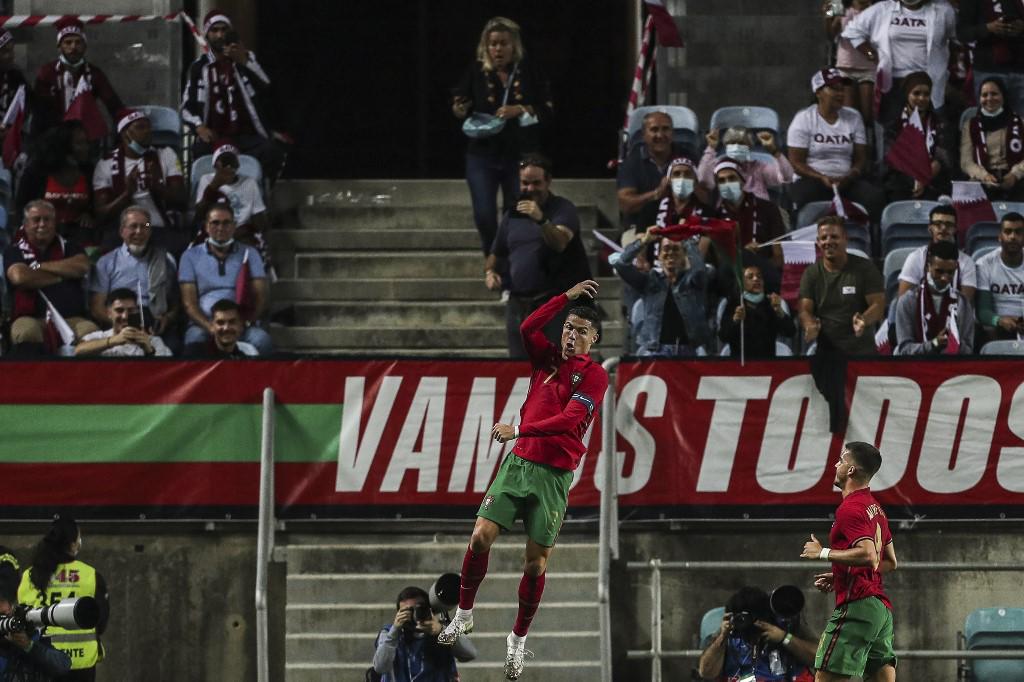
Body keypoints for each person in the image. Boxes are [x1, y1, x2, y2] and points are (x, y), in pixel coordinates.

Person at [437, 281, 608, 681]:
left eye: (581, 330)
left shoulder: (595, 375)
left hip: (553, 476)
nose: (571, 335)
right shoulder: (545, 359)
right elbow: (528, 326)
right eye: (568, 327)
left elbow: (569, 421)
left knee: (535, 564)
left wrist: (520, 430)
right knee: (480, 536)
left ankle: (516, 640)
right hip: (518, 466)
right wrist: (565, 297)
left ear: (594, 339)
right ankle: (463, 615)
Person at [452, 16, 552, 256]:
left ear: (513, 45)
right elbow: (459, 106)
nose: (497, 49)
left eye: (503, 43)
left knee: (515, 213)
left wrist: (520, 109)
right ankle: (493, 261)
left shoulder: (529, 70)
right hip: (482, 154)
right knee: (485, 214)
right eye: (493, 44)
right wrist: (460, 108)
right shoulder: (476, 70)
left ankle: (512, 272)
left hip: (519, 155)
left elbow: (547, 109)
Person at [800, 442, 898, 682]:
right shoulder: (875, 508)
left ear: (851, 470)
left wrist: (822, 552)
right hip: (879, 610)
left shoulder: (850, 508)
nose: (836, 464)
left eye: (841, 460)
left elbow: (867, 555)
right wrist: (842, 573)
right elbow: (890, 562)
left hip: (858, 606)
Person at [484, 155, 592, 359]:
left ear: (548, 181)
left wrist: (541, 219)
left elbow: (559, 243)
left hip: (553, 304)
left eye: (536, 183)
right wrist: (490, 271)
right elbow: (495, 254)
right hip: (518, 305)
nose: (530, 188)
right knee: (517, 368)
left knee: (554, 366)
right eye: (525, 183)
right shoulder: (512, 215)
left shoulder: (562, 208)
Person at [181, 10, 290, 183]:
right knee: (199, 151)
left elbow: (268, 89)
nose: (220, 34)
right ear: (207, 35)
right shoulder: (199, 67)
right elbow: (186, 107)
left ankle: (260, 194)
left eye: (224, 30)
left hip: (246, 136)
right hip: (215, 136)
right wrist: (199, 127)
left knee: (272, 151)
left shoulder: (245, 59)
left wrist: (245, 62)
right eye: (215, 30)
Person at [17, 516, 109, 682]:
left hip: (45, 660)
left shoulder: (31, 575)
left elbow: (24, 618)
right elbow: (100, 622)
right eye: (79, 537)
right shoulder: (91, 575)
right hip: (83, 664)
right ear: (73, 544)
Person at [787, 68, 885, 221]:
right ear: (818, 92)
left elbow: (861, 158)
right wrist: (821, 177)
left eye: (842, 90)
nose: (840, 94)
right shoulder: (803, 119)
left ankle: (870, 241)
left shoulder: (854, 117)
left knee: (874, 197)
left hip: (846, 181)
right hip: (813, 180)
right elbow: (796, 162)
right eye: (834, 89)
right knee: (800, 197)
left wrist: (851, 174)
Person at [841, 0, 956, 127]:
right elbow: (852, 31)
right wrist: (873, 55)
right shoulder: (882, 9)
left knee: (931, 129)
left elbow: (955, 38)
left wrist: (948, 72)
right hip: (894, 81)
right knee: (892, 130)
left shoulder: (943, 10)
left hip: (929, 81)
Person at [3, 200, 97, 355]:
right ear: (26, 225)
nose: (42, 224)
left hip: (72, 318)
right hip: (30, 317)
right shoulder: (14, 251)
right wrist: (62, 275)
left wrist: (38, 267)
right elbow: (20, 277)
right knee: (26, 332)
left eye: (47, 219)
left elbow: (82, 267)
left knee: (91, 332)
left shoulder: (70, 246)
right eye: (36, 220)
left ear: (55, 223)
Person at [178, 204, 271, 355]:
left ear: (234, 226)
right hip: (204, 323)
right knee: (194, 339)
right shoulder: (190, 256)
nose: (221, 228)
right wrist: (210, 326)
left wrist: (245, 323)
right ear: (206, 226)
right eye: (215, 223)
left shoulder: (250, 253)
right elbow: (189, 304)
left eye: (226, 223)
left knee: (262, 340)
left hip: (241, 323)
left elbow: (261, 296)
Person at [612, 227, 711, 357]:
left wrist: (688, 242)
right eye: (666, 249)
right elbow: (621, 265)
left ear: (684, 256)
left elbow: (699, 270)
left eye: (675, 249)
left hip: (688, 351)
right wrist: (644, 241)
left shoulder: (692, 282)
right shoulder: (649, 282)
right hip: (655, 351)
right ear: (659, 256)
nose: (670, 253)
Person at [92, 108, 186, 246]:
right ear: (125, 133)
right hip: (123, 231)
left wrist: (157, 186)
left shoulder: (166, 155)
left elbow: (182, 201)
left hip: (157, 228)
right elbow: (101, 215)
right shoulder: (106, 164)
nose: (148, 131)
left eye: (149, 127)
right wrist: (126, 194)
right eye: (140, 127)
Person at [89, 206, 180, 346]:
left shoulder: (166, 260)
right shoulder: (106, 262)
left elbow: (175, 303)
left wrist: (167, 319)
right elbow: (97, 307)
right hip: (120, 320)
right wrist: (121, 324)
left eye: (145, 226)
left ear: (150, 231)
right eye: (133, 226)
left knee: (173, 347)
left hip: (154, 321)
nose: (139, 231)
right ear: (122, 231)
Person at [800, 216, 886, 356]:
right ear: (817, 242)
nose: (828, 241)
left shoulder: (865, 268)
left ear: (846, 239)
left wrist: (864, 319)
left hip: (862, 352)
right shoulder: (811, 273)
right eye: (823, 238)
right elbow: (805, 309)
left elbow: (878, 304)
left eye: (834, 237)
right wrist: (809, 324)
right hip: (826, 353)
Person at [697, 586, 817, 682]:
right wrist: (722, 636)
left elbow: (819, 659)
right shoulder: (730, 633)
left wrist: (784, 638)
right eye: (742, 619)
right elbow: (706, 672)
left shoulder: (783, 627)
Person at [31, 18, 124, 140]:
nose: (73, 47)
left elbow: (114, 105)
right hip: (53, 138)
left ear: (85, 46)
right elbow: (38, 111)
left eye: (78, 42)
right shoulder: (47, 72)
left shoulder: (94, 73)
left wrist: (124, 125)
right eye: (68, 42)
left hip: (86, 137)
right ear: (59, 47)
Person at [16, 121, 96, 248]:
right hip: (41, 234)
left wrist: (89, 214)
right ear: (65, 147)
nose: (86, 147)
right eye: (80, 143)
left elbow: (95, 204)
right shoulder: (37, 172)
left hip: (78, 235)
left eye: (86, 142)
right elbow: (22, 206)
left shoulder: (88, 171)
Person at [372, 586, 476, 682]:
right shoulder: (389, 633)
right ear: (399, 613)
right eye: (408, 611)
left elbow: (469, 654)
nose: (415, 615)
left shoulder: (443, 630)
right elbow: (380, 667)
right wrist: (395, 630)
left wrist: (441, 631)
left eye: (419, 609)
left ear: (429, 609)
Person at [194, 143, 271, 270]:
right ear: (215, 165)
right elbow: (199, 214)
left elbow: (260, 221)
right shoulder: (207, 180)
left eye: (232, 162)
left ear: (238, 165)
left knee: (254, 254)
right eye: (224, 162)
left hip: (242, 232)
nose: (229, 166)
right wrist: (214, 185)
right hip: (214, 232)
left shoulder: (249, 183)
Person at [712, 159, 785, 291]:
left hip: (764, 272)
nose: (727, 184)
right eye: (721, 181)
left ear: (743, 180)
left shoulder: (768, 209)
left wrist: (756, 267)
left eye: (732, 178)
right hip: (732, 276)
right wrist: (744, 254)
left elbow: (779, 257)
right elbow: (719, 260)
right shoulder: (714, 216)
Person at [894, 240, 974, 354]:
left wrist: (954, 345)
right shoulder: (908, 301)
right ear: (928, 267)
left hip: (953, 366)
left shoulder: (963, 303)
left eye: (950, 272)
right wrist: (933, 345)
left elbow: (968, 350)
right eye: (939, 271)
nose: (944, 278)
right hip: (916, 366)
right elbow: (904, 349)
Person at [0, 555, 72, 682]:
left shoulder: (27, 631)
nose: (4, 619)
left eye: (6, 614)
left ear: (12, 607)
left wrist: (29, 646)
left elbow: (63, 665)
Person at [882, 72, 952, 201]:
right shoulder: (894, 125)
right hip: (902, 179)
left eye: (926, 94)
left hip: (932, 178)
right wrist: (914, 180)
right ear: (907, 94)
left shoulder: (940, 123)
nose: (921, 98)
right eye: (916, 93)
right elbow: (891, 158)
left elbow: (942, 157)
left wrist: (923, 178)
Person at [617, 111, 687, 234]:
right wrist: (657, 194)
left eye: (665, 129)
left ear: (673, 133)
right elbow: (626, 206)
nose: (660, 135)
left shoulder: (688, 157)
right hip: (639, 229)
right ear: (644, 135)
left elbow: (705, 198)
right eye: (654, 130)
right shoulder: (631, 162)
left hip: (681, 226)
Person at [959, 77, 1024, 201]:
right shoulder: (970, 125)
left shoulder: (1020, 123)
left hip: (1015, 179)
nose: (989, 99)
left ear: (1003, 96)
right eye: (984, 95)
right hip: (983, 179)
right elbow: (966, 162)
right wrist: (984, 176)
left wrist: (1015, 175)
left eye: (994, 94)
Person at [957, 0, 1024, 116]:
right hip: (987, 69)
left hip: (1020, 68)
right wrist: (988, 28)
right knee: (989, 120)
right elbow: (962, 33)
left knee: (1021, 122)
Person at [896, 205, 975, 302]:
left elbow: (965, 303)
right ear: (930, 228)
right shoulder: (915, 257)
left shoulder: (967, 262)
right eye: (938, 224)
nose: (943, 228)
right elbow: (903, 299)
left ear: (955, 229)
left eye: (949, 224)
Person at [697, 126, 794, 202]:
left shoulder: (759, 167)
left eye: (741, 143)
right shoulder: (719, 167)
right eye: (732, 143)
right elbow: (703, 181)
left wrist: (774, 151)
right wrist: (711, 148)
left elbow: (787, 177)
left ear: (749, 147)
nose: (736, 146)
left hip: (758, 214)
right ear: (726, 146)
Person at [719, 264, 796, 358]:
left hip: (767, 364)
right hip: (740, 365)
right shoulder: (734, 305)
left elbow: (790, 332)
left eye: (759, 276)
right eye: (750, 277)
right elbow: (723, 336)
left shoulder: (770, 304)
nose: (756, 279)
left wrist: (779, 312)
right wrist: (735, 320)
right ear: (741, 283)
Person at [824, 0, 878, 138]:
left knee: (867, 114)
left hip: (868, 66)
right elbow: (830, 35)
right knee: (848, 112)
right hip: (846, 65)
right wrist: (831, 16)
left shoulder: (876, 10)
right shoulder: (842, 8)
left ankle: (867, 145)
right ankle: (850, 145)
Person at [75, 288, 172, 357]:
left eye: (130, 310)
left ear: (138, 312)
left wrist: (149, 351)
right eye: (119, 310)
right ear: (109, 313)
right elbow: (78, 350)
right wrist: (114, 340)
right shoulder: (99, 337)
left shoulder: (153, 341)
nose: (125, 316)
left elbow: (168, 373)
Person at [975, 212, 1024, 341]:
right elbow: (983, 310)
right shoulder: (984, 264)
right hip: (997, 326)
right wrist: (1000, 320)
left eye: (1018, 232)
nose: (1013, 237)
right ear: (1000, 237)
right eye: (1008, 232)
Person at [183, 298, 259, 358]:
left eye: (232, 322)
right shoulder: (193, 354)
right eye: (220, 322)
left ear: (241, 326)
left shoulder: (244, 362)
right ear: (212, 326)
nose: (226, 328)